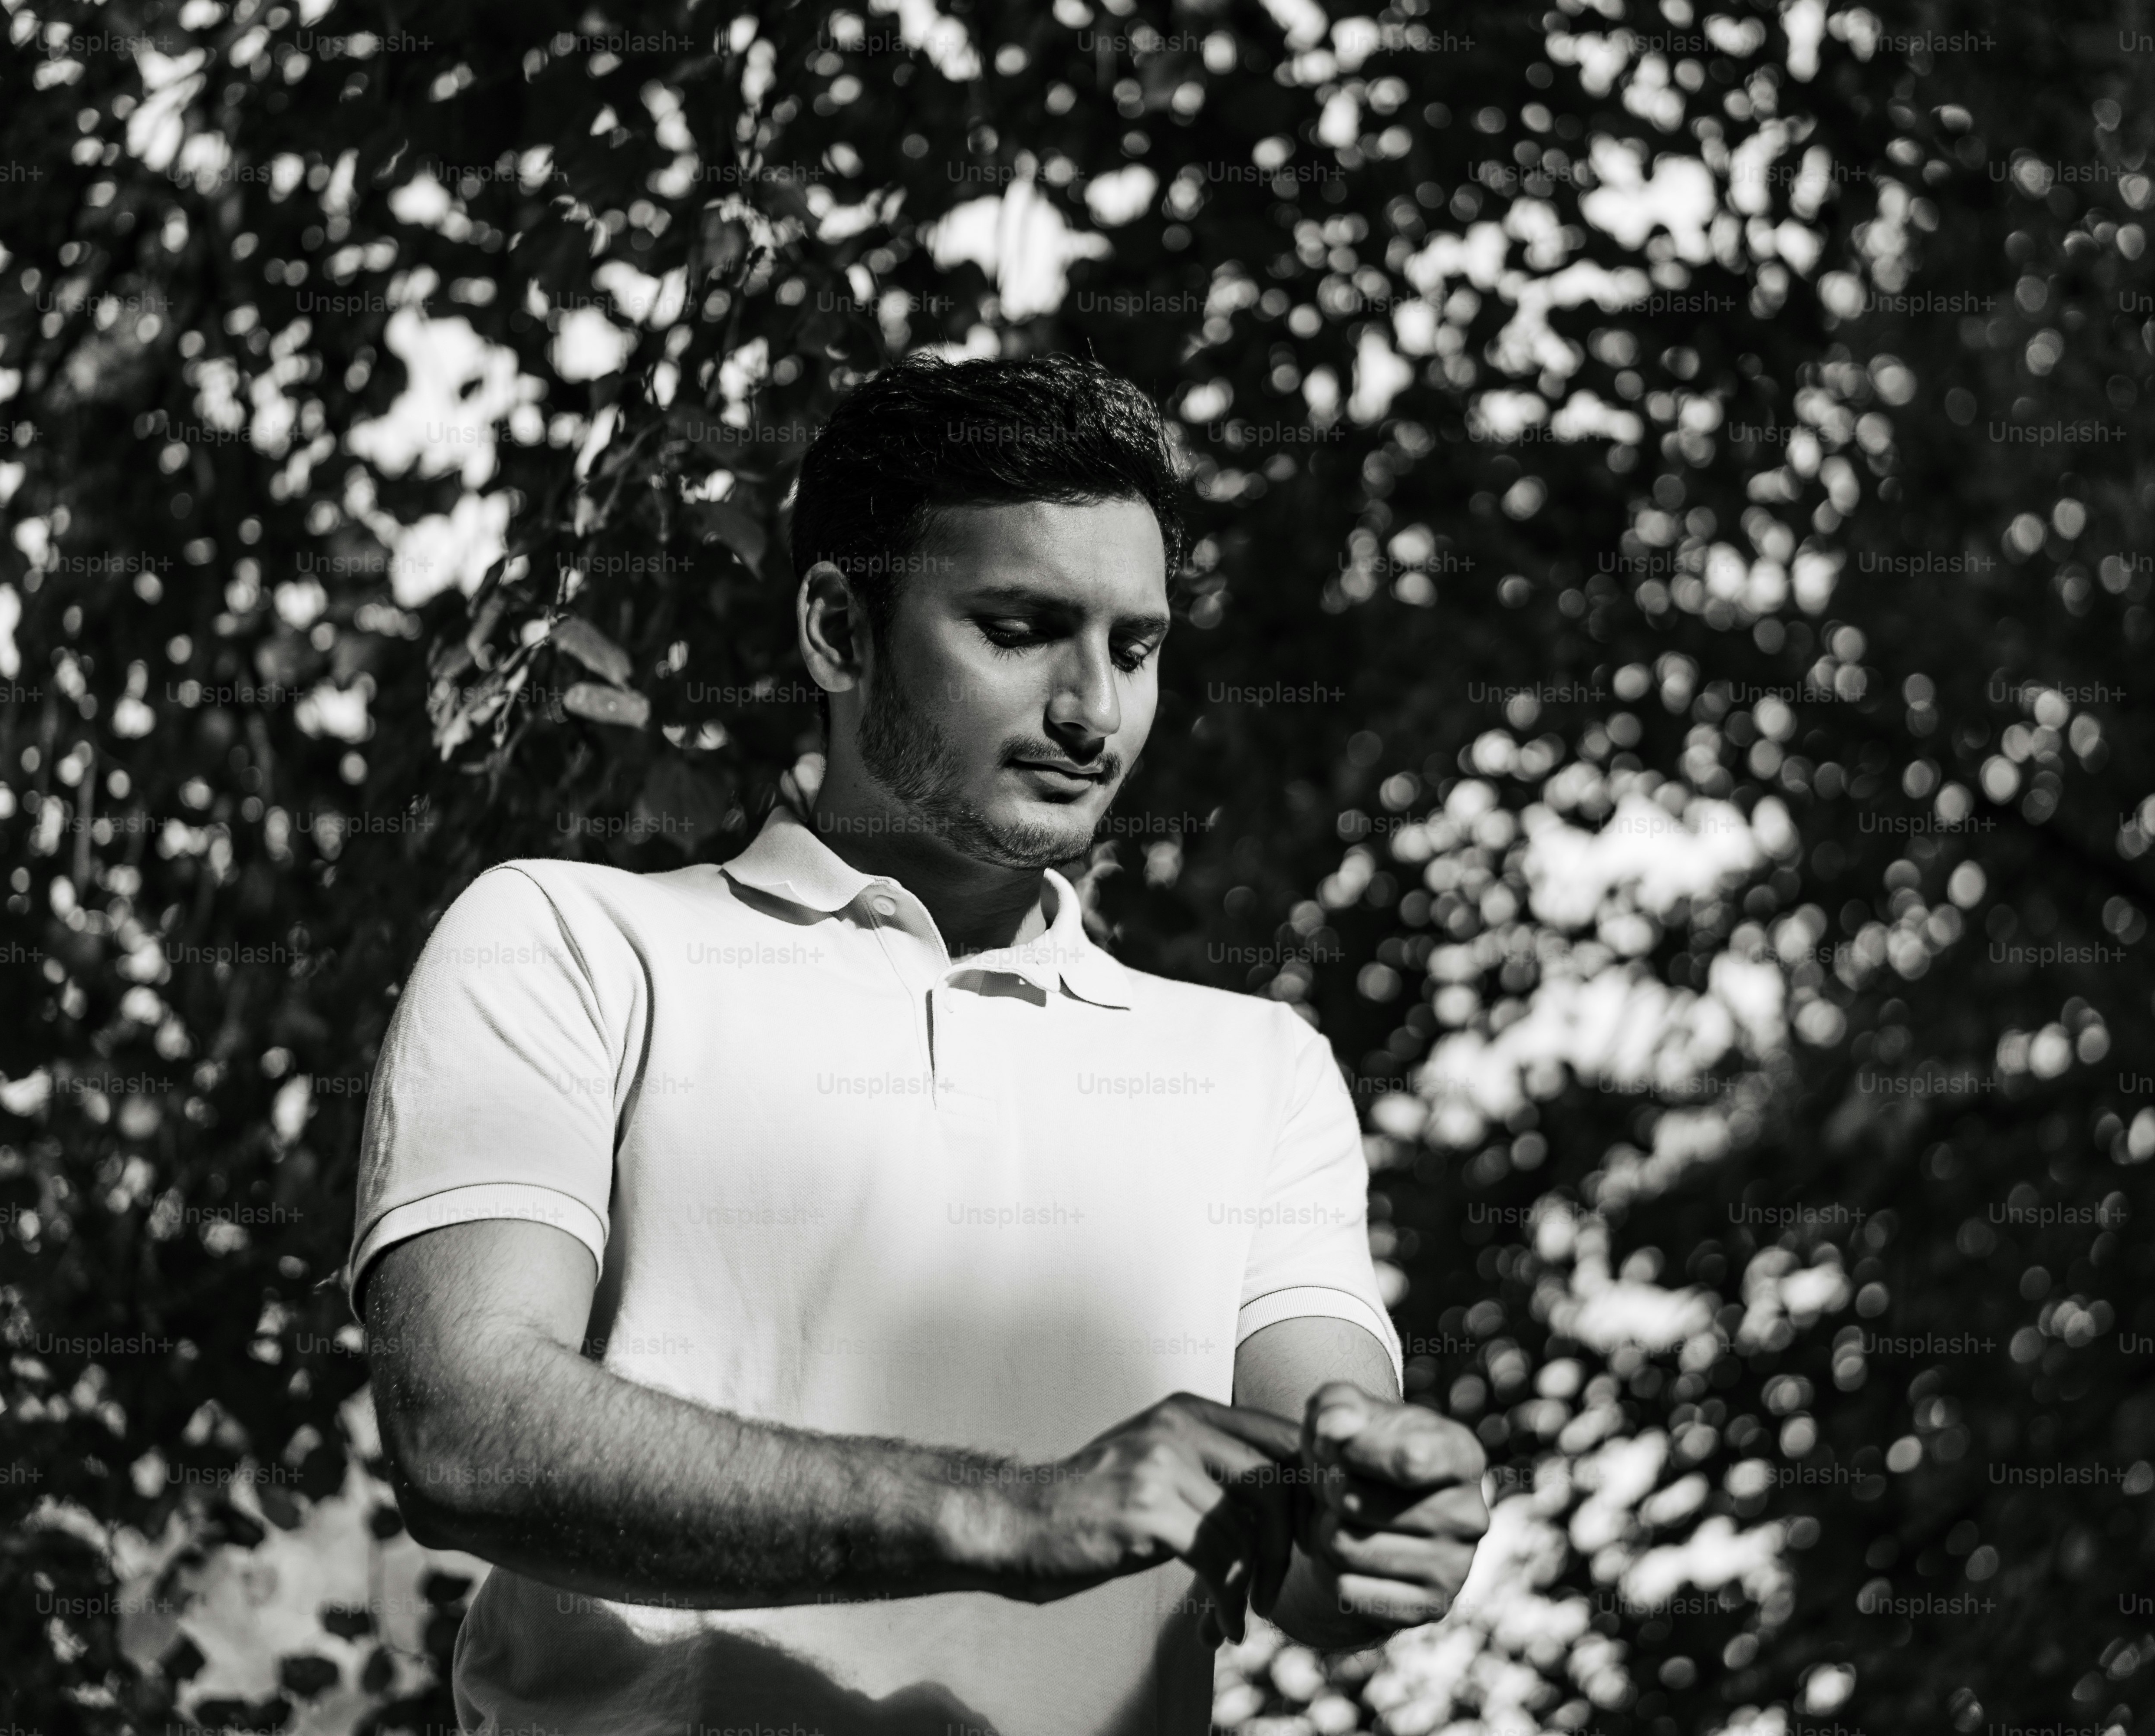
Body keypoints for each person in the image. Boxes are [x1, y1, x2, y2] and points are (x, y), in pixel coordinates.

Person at [351, 353, 1490, 1734]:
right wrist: (1007, 1513)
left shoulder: (1261, 1070)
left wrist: (1384, 1519)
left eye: (1135, 650)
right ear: (840, 629)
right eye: (1020, 629)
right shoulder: (572, 946)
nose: (1092, 711)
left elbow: (1314, 1536)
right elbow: (464, 1436)